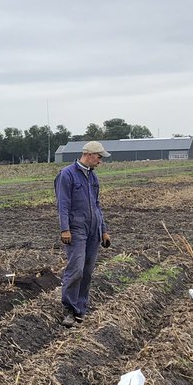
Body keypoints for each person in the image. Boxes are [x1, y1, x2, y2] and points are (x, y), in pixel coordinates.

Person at [55, 140, 112, 327]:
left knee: (87, 272)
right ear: (89, 154)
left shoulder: (93, 178)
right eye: (99, 157)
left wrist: (103, 230)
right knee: (76, 269)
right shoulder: (67, 175)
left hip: (93, 229)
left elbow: (97, 206)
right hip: (76, 229)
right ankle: (69, 309)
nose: (100, 161)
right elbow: (63, 204)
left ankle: (80, 310)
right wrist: (65, 228)